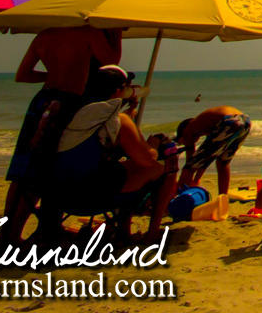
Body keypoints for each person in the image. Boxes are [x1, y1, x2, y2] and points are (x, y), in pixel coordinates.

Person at [2, 26, 123, 233]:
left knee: (24, 169)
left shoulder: (43, 35)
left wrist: (53, 74)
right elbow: (111, 62)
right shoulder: (88, 33)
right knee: (51, 168)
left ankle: (9, 231)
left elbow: (23, 74)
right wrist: (116, 33)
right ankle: (45, 228)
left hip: (42, 102)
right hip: (68, 102)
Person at [45, 65, 179, 244]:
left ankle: (123, 229)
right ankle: (151, 232)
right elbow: (147, 159)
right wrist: (153, 145)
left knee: (122, 169)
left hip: (57, 192)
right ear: (118, 91)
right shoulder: (117, 119)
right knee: (162, 167)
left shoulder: (71, 109)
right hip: (93, 196)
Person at [175, 105, 250, 197]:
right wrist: (196, 179)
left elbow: (191, 162)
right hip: (245, 121)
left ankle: (180, 196)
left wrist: (192, 180)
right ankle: (223, 198)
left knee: (189, 167)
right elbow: (205, 159)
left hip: (230, 121)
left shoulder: (188, 129)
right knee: (223, 163)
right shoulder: (206, 125)